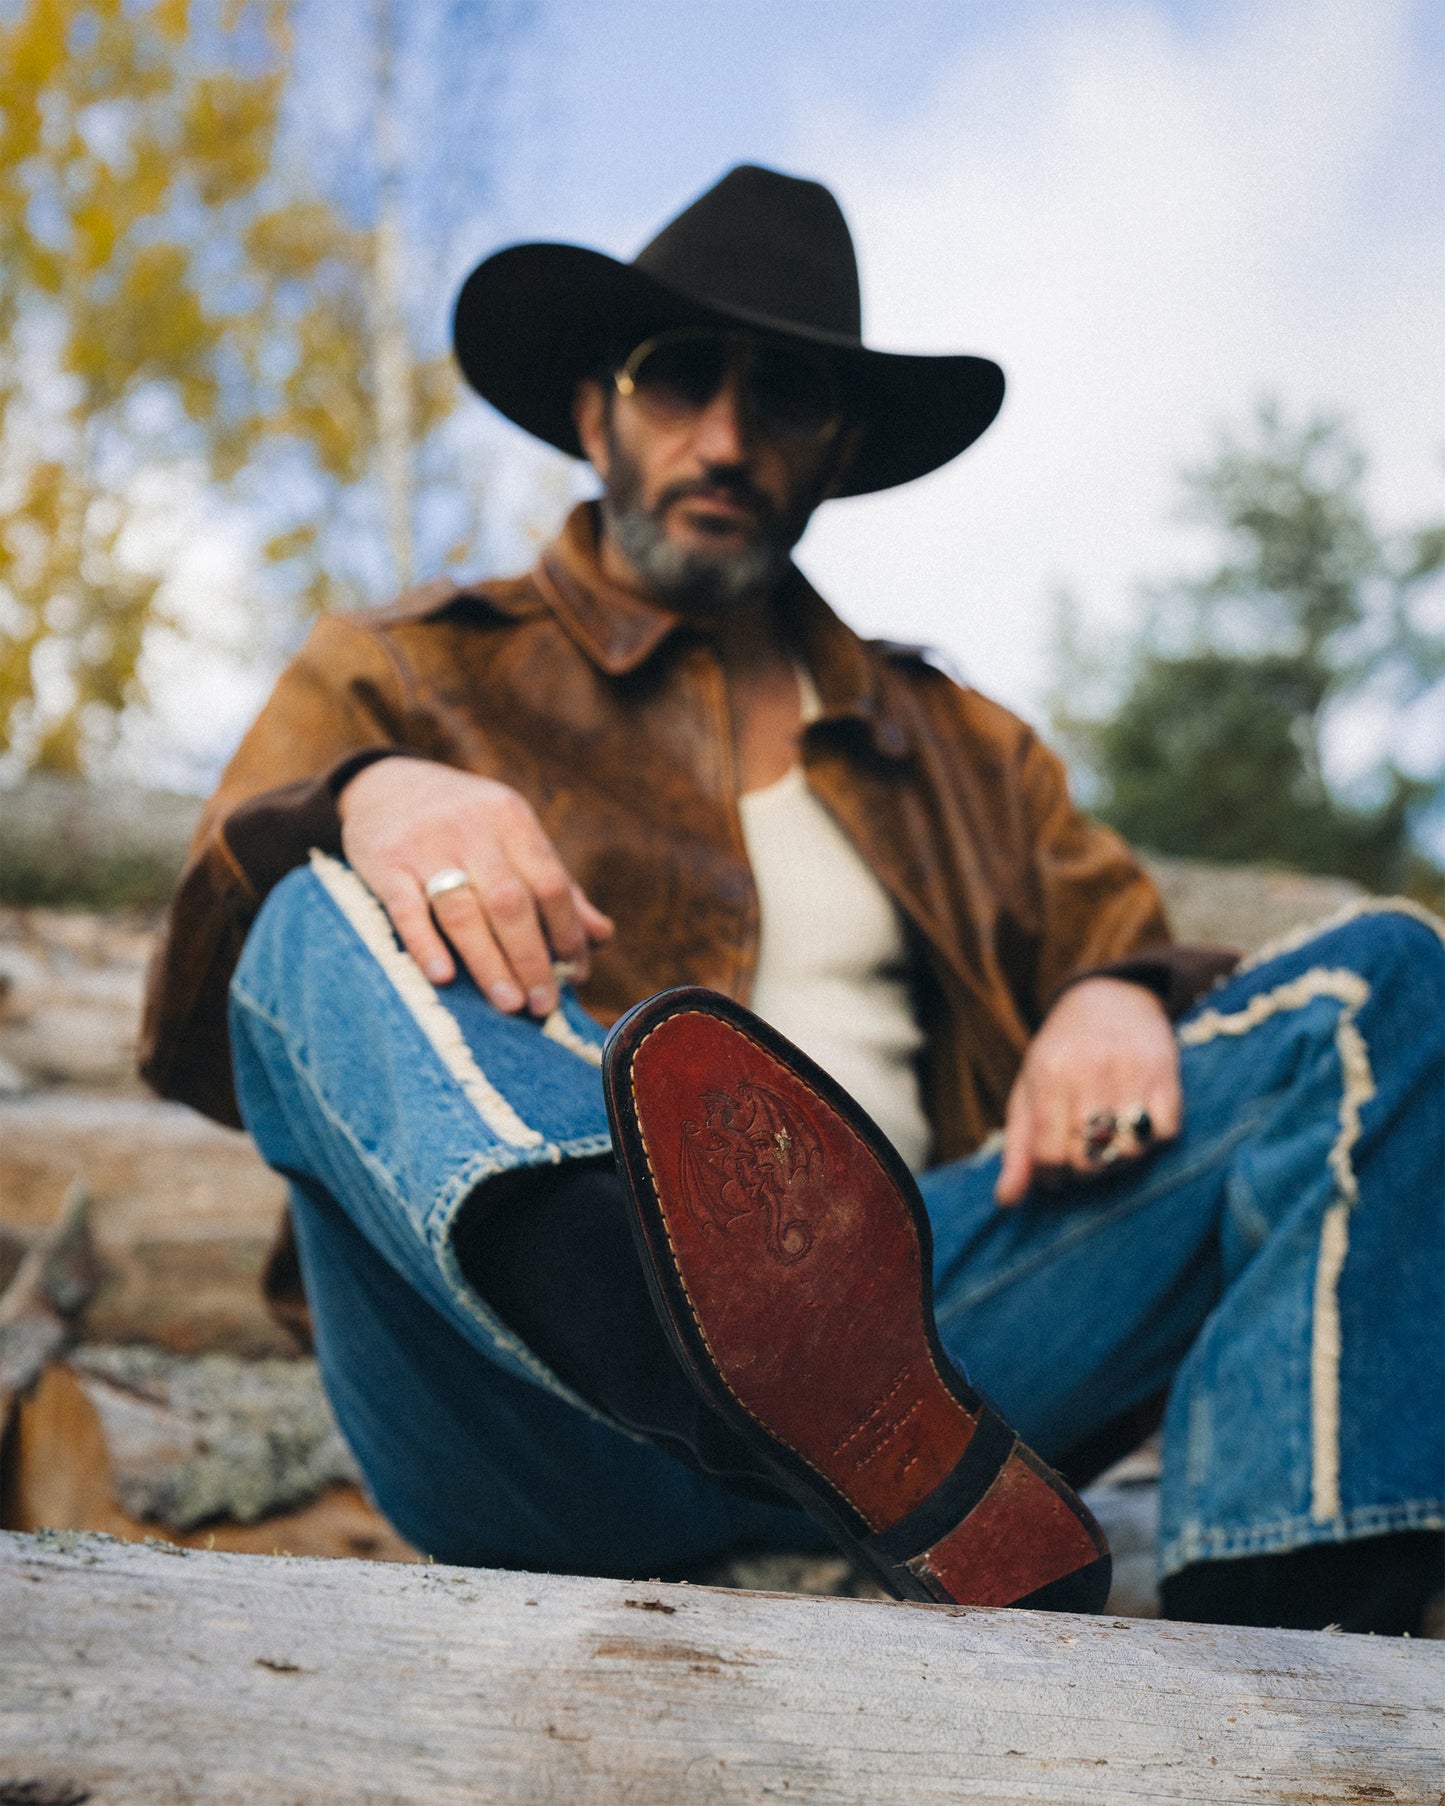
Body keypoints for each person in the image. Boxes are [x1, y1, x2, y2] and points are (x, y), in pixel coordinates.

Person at [141, 164, 1443, 1629]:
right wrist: (370, 794)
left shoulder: (961, 749)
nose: (725, 437)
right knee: (304, 898)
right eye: (679, 377)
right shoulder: (406, 668)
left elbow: (1123, 934)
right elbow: (205, 1003)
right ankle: (652, 1301)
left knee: (1383, 984)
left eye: (786, 399)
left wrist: (1112, 991)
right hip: (512, 1399)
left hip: (934, 1360)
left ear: (839, 449)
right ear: (594, 413)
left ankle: (1309, 1651)